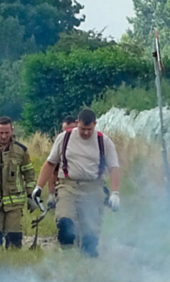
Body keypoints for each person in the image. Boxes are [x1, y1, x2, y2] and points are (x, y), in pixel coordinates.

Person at [32, 108, 120, 257]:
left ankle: (87, 260)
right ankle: (67, 257)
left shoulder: (104, 141)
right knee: (65, 224)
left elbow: (114, 167)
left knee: (90, 237)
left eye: (89, 129)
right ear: (77, 123)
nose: (85, 133)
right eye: (82, 129)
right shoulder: (64, 138)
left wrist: (115, 193)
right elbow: (50, 164)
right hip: (68, 186)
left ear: (95, 124)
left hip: (93, 188)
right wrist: (38, 187)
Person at [0, 117, 36, 250]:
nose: (4, 136)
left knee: (14, 239)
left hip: (14, 203)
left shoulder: (21, 150)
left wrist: (31, 196)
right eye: (0, 133)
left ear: (12, 130)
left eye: (6, 133)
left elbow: (29, 175)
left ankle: (13, 265)